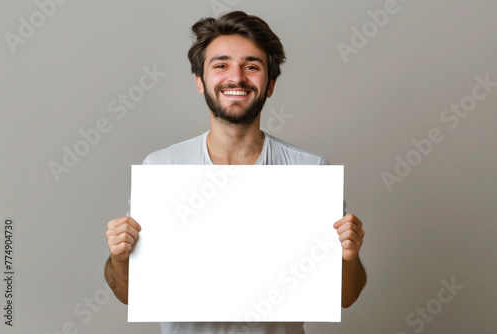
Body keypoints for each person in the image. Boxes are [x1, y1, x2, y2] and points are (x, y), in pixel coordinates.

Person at [105, 11, 366, 334]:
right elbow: (127, 293)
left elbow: (347, 297)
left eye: (252, 66)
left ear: (269, 85)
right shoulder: (161, 169)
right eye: (221, 65)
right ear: (200, 81)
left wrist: (349, 257)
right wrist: (118, 257)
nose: (237, 78)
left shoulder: (309, 172)